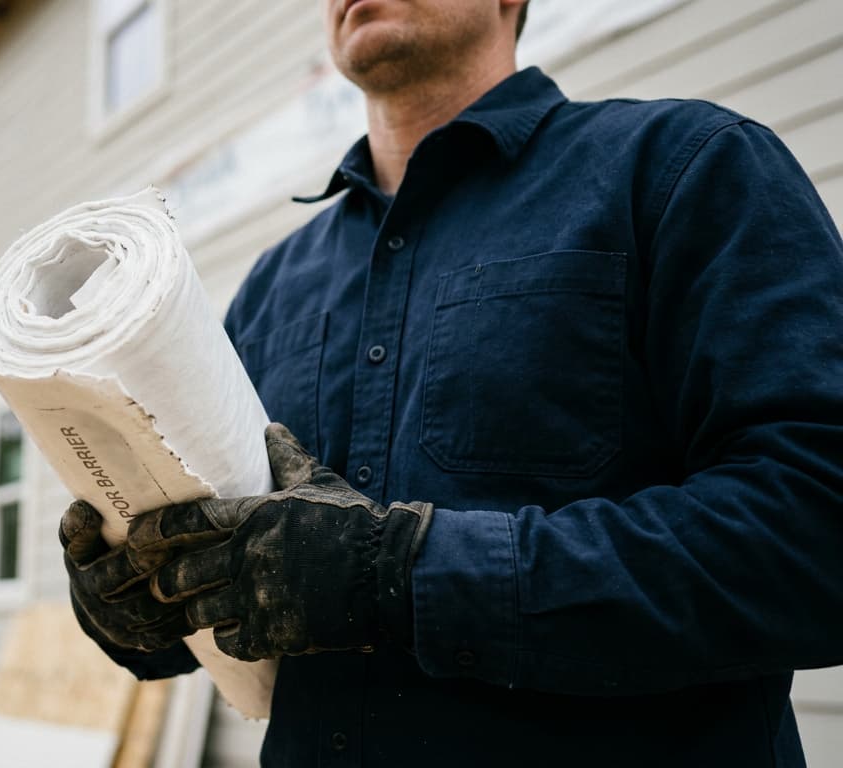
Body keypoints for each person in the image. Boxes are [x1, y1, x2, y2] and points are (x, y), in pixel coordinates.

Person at [58, 0, 843, 765]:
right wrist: (141, 605)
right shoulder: (271, 288)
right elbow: (238, 579)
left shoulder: (684, 166)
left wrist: (401, 575)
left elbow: (817, 527)